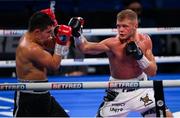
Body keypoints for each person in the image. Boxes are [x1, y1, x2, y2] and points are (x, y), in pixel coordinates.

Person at [68, 9, 173, 117]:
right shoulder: (112, 44)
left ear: (135, 25)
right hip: (118, 93)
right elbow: (84, 47)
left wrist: (140, 57)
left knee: (168, 116)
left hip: (142, 89)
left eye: (125, 26)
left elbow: (152, 72)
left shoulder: (145, 40)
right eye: (118, 26)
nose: (121, 30)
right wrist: (77, 35)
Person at [13, 8, 71, 117]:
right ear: (37, 32)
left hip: (43, 93)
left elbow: (53, 44)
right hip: (29, 96)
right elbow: (55, 65)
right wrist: (61, 40)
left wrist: (58, 32)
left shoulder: (33, 37)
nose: (50, 35)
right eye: (48, 32)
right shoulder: (31, 48)